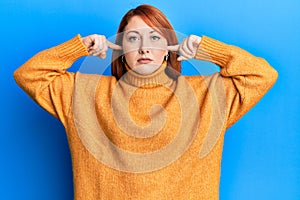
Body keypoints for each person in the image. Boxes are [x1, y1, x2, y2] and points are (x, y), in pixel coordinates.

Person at [14, 4, 278, 200]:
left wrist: (209, 50)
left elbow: (262, 75)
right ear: (120, 50)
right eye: (132, 38)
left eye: (154, 37)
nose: (144, 47)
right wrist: (80, 47)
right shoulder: (83, 94)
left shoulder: (208, 93)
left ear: (168, 49)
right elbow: (29, 75)